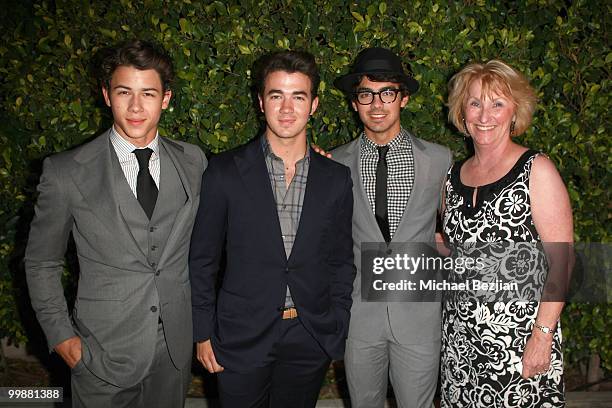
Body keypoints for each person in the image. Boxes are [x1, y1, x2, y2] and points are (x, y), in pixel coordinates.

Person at [25, 40, 207, 407]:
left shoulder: (194, 161)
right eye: (125, 92)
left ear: (166, 99)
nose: (137, 107)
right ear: (107, 96)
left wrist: (303, 156)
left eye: (148, 94)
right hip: (100, 352)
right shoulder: (65, 172)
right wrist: (63, 339)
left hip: (173, 351)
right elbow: (41, 262)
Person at [189, 50, 355, 408]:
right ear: (260, 102)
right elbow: (202, 260)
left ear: (314, 105)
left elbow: (341, 260)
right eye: (276, 95)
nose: (286, 108)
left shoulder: (336, 179)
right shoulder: (224, 171)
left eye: (299, 96)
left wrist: (337, 321)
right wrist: (203, 332)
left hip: (308, 336)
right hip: (239, 336)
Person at [441, 59, 573, 407]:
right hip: (460, 344)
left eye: (497, 103)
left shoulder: (536, 170)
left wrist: (543, 336)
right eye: (475, 103)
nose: (485, 115)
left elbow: (561, 262)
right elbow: (461, 251)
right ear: (462, 112)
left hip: (518, 342)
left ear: (515, 111)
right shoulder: (452, 177)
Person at [332, 47, 452, 408]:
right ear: (355, 102)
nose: (377, 104)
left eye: (387, 93)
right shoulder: (335, 163)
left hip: (418, 314)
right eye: (366, 94)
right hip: (358, 314)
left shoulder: (438, 159)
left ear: (403, 98)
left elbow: (457, 230)